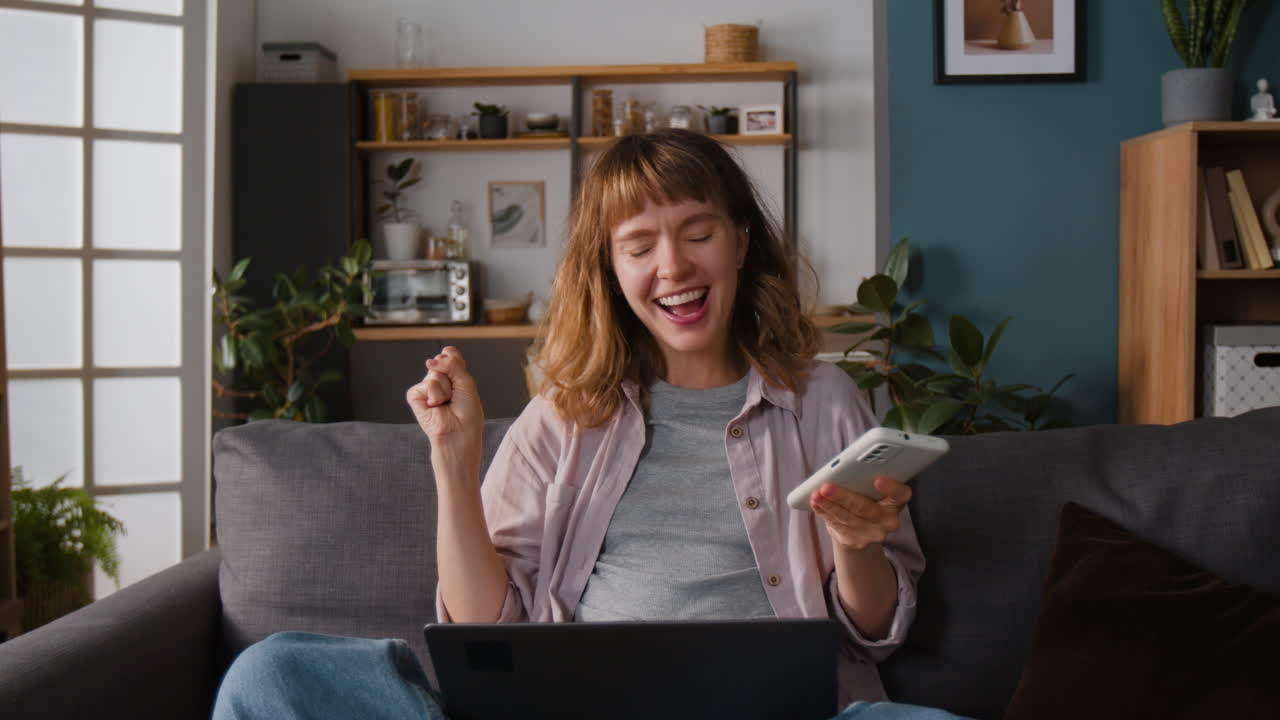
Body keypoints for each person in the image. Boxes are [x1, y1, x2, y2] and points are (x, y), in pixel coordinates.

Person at [213, 129, 964, 720]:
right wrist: (454, 457)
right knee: (273, 674)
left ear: (739, 241)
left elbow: (872, 631)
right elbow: (484, 629)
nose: (672, 265)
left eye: (698, 232)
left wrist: (855, 544)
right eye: (638, 246)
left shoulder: (824, 399)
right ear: (610, 271)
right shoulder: (561, 418)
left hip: (784, 712)